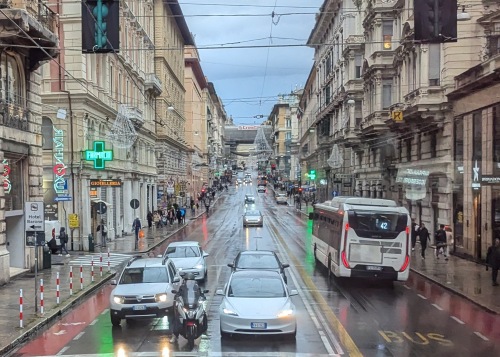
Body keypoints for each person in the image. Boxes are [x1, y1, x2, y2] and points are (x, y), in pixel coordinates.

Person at [170, 272, 206, 343]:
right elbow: (178, 294)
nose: (189, 282)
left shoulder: (196, 288)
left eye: (191, 281)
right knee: (176, 318)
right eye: (188, 281)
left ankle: (203, 329)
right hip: (185, 306)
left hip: (194, 306)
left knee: (204, 314)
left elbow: (201, 294)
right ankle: (174, 336)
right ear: (185, 281)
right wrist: (177, 297)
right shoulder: (182, 288)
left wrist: (202, 297)